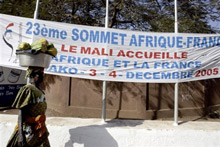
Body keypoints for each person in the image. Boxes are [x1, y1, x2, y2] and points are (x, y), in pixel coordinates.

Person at [6, 67, 50, 147]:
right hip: (28, 131)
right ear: (34, 76)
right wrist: (21, 136)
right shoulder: (28, 90)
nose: (42, 76)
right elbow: (21, 112)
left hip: (39, 130)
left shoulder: (39, 90)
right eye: (40, 74)